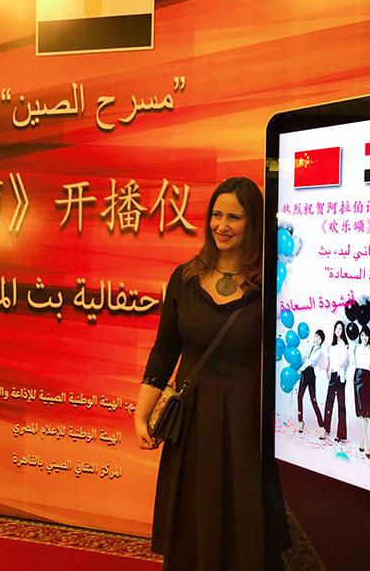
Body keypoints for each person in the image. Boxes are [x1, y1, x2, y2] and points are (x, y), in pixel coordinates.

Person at [134, 177, 290, 571]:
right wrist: (141, 413)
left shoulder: (272, 284)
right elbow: (165, 349)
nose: (222, 225)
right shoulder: (184, 278)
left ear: (253, 223)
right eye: (216, 215)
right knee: (193, 520)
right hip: (193, 422)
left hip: (247, 424)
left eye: (234, 217)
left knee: (244, 522)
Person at [321, 320, 349, 441]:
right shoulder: (331, 346)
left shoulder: (345, 345)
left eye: (340, 328)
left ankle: (341, 434)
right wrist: (328, 370)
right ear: (334, 330)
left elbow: (345, 362)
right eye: (336, 328)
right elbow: (329, 361)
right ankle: (325, 428)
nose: (338, 330)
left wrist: (339, 371)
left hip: (340, 376)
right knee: (329, 402)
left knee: (341, 405)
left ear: (343, 331)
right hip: (333, 375)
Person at [352, 326, 370, 458]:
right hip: (358, 378)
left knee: (366, 412)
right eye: (362, 335)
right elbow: (352, 362)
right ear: (359, 336)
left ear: (369, 336)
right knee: (362, 412)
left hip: (367, 378)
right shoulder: (356, 348)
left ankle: (361, 441)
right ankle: (367, 443)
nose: (364, 338)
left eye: (366, 335)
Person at [297, 329, 326, 433]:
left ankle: (321, 426)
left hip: (310, 373)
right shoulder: (310, 346)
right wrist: (298, 365)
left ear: (321, 341)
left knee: (313, 400)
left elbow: (310, 361)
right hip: (304, 373)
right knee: (299, 396)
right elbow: (304, 358)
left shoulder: (319, 351)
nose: (317, 339)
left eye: (320, 338)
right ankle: (300, 421)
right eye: (316, 336)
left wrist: (300, 369)